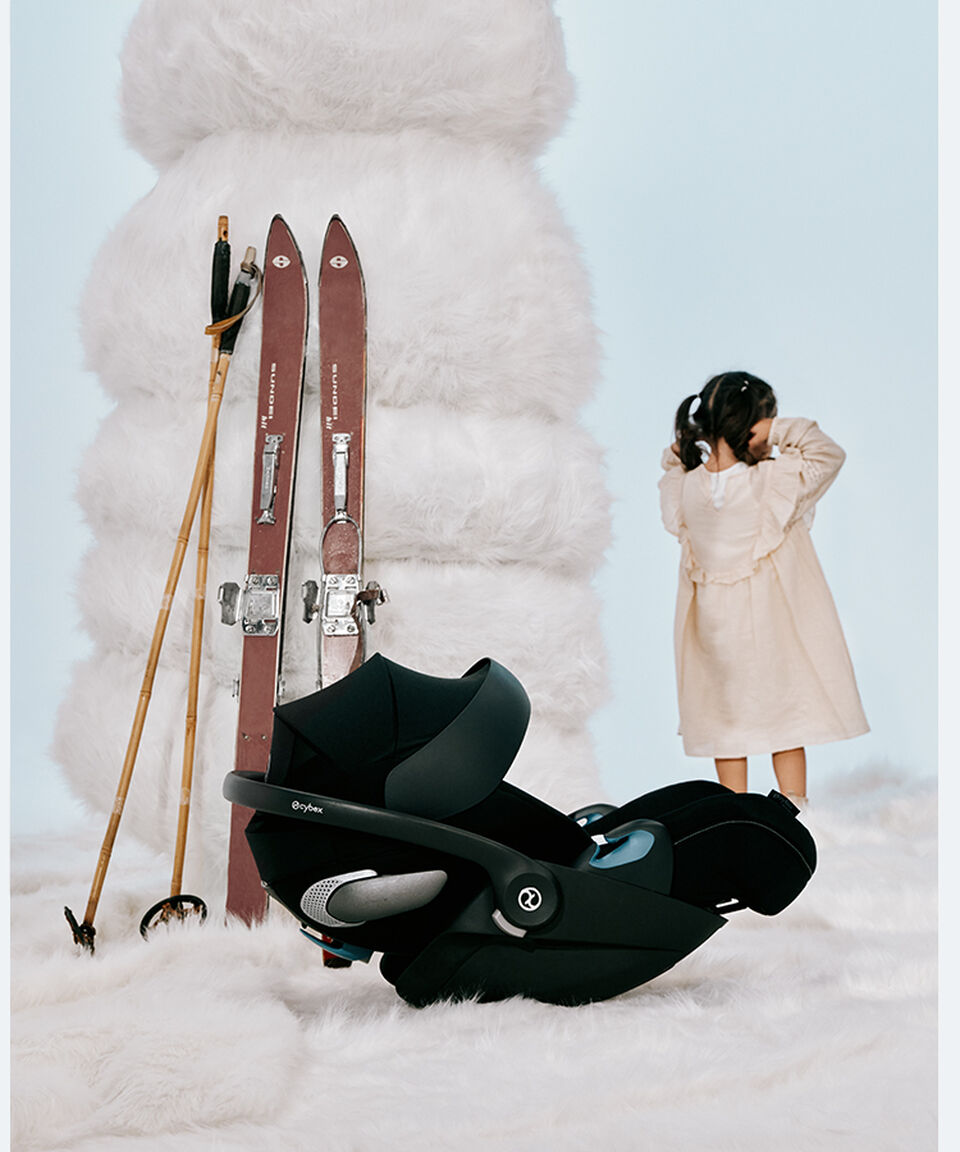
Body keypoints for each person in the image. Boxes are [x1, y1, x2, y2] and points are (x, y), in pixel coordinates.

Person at [659, 370, 868, 807]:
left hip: (713, 634)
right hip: (770, 628)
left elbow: (674, 460)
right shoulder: (773, 482)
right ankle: (794, 812)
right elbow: (828, 454)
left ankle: (735, 816)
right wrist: (778, 429)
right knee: (785, 722)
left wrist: (693, 446)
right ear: (754, 423)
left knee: (725, 725)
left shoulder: (688, 488)